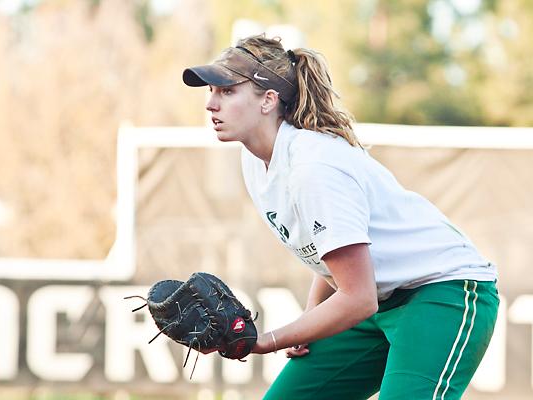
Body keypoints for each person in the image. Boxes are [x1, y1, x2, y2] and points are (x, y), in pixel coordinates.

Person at [182, 34, 499, 400]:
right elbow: (331, 257)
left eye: (227, 91)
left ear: (268, 100)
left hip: (442, 293)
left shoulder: (314, 167)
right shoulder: (256, 161)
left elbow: (358, 296)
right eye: (211, 91)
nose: (210, 104)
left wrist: (270, 340)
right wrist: (311, 320)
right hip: (376, 303)